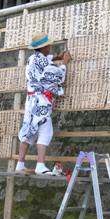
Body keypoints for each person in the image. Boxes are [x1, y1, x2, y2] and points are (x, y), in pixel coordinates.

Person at [15, 33, 72, 175]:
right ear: (45, 47)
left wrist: (55, 58)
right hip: (41, 101)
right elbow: (57, 76)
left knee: (29, 129)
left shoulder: (32, 59)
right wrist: (64, 63)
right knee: (45, 131)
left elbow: (45, 63)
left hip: (31, 100)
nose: (50, 47)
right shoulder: (44, 62)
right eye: (49, 46)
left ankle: (20, 164)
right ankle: (40, 165)